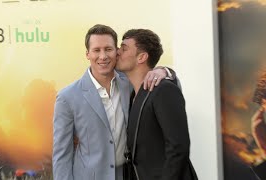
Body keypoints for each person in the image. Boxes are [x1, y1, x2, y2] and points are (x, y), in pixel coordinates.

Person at [53, 24, 174, 180]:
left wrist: (163, 70)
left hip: (129, 175)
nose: (103, 56)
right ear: (87, 54)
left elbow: (166, 79)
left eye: (108, 49)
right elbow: (61, 154)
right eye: (96, 50)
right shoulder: (67, 97)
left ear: (117, 52)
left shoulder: (130, 83)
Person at [116, 29, 197, 180]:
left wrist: (165, 71)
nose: (117, 52)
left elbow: (178, 148)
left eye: (124, 48)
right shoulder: (132, 95)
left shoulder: (164, 90)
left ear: (142, 57)